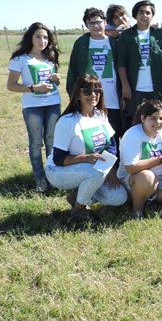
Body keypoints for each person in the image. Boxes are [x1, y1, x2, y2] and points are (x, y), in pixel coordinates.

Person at [45, 75, 127, 221]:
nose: (93, 95)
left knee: (119, 197)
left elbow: (112, 144)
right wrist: (87, 158)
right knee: (95, 172)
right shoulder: (67, 121)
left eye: (97, 90)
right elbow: (58, 159)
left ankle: (77, 195)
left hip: (93, 170)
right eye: (87, 91)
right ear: (78, 94)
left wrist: (111, 169)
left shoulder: (101, 115)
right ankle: (79, 210)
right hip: (58, 171)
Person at [7, 22, 61, 192]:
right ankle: (40, 179)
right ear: (30, 37)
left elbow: (55, 83)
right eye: (38, 36)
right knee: (36, 143)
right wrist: (32, 88)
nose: (42, 40)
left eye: (45, 37)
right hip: (33, 107)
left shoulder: (51, 57)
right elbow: (11, 85)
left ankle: (52, 176)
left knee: (52, 143)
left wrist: (56, 80)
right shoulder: (20, 59)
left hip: (53, 104)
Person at [117, 99, 162, 219]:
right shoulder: (132, 135)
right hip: (133, 178)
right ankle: (137, 210)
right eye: (152, 118)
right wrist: (160, 160)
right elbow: (131, 168)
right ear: (142, 119)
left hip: (160, 178)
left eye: (161, 118)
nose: (158, 122)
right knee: (147, 178)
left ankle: (150, 198)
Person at [117, 0, 162, 128]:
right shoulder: (127, 36)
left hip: (157, 88)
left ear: (152, 16)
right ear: (135, 15)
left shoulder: (160, 34)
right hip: (135, 88)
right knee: (135, 121)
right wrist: (125, 85)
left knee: (157, 122)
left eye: (148, 12)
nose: (144, 15)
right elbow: (121, 63)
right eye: (141, 12)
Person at [67, 8, 123, 140]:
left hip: (112, 98)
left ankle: (115, 161)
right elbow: (72, 71)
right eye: (91, 23)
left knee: (114, 136)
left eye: (98, 22)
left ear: (105, 22)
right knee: (94, 137)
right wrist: (73, 95)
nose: (96, 26)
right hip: (90, 98)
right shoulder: (81, 43)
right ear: (86, 25)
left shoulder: (115, 42)